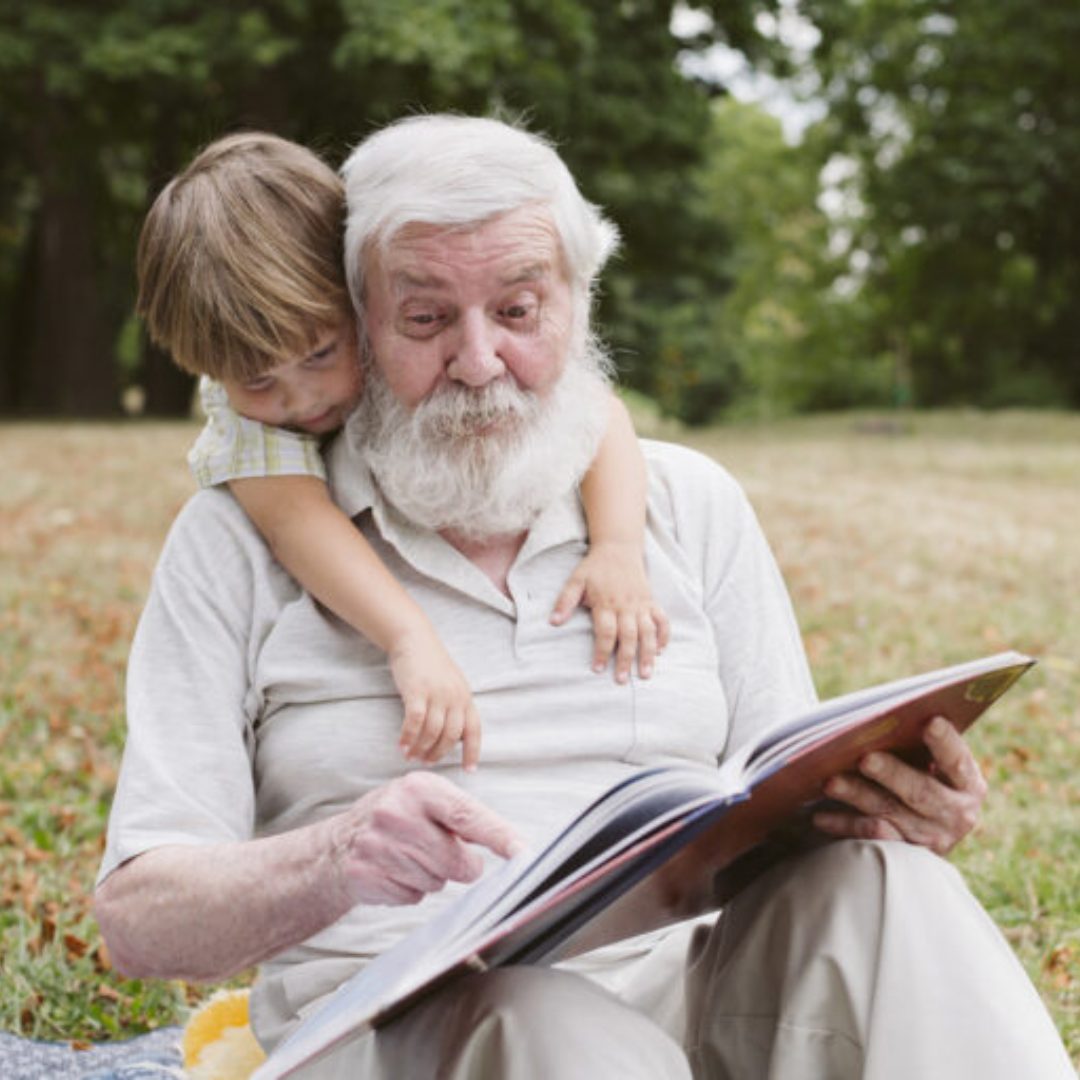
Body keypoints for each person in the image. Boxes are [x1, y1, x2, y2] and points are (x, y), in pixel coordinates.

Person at [95, 116, 1074, 1079]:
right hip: (404, 1040)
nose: (479, 364)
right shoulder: (240, 537)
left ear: (578, 303)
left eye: (519, 312)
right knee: (531, 1016)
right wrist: (336, 856)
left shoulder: (684, 504)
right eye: (427, 318)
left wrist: (890, 807)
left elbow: (789, 815)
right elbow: (141, 922)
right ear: (361, 312)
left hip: (681, 1002)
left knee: (887, 887)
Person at [134, 132, 668, 771]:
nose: (302, 400)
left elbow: (598, 414)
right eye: (256, 381)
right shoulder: (249, 430)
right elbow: (299, 525)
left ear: (355, 298)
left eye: (321, 355)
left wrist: (616, 547)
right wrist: (409, 638)